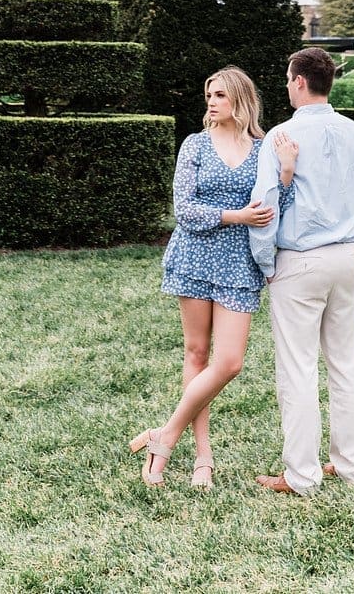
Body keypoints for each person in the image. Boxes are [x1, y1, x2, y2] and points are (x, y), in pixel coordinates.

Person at [129, 66, 298, 487]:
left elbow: (280, 205)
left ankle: (164, 434)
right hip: (194, 257)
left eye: (220, 95)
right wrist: (234, 215)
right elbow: (183, 209)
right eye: (209, 94)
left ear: (240, 99)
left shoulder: (263, 148)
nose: (211, 101)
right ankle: (202, 455)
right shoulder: (195, 145)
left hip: (239, 263)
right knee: (196, 355)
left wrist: (287, 171)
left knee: (229, 363)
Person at [249, 48, 354, 496]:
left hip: (299, 260)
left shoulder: (282, 135)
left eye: (288, 79)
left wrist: (266, 262)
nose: (287, 85)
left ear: (299, 82)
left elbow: (264, 206)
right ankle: (350, 466)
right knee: (346, 363)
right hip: (345, 258)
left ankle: (302, 476)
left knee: (298, 369)